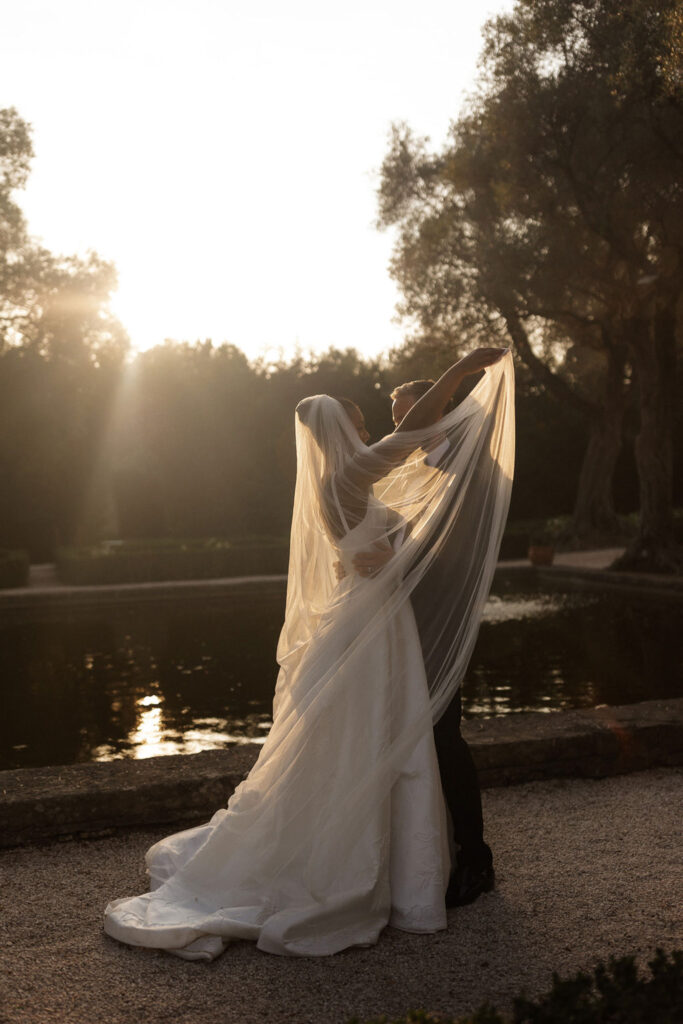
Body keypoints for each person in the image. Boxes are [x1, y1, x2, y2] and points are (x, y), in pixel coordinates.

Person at [102, 347, 513, 961]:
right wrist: (458, 372)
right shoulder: (347, 478)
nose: (377, 431)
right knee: (377, 737)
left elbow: (390, 523)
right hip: (374, 624)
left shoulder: (349, 481)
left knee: (380, 737)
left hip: (379, 621)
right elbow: (399, 477)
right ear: (342, 432)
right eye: (364, 425)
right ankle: (382, 867)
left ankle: (419, 861)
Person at [348, 377, 495, 906]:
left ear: (439, 410)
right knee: (412, 733)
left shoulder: (473, 465)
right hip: (403, 619)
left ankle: (476, 860)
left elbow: (457, 548)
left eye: (406, 416)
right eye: (394, 419)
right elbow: (404, 535)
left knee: (444, 735)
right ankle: (429, 856)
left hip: (443, 618)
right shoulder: (412, 469)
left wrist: (395, 559)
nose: (398, 428)